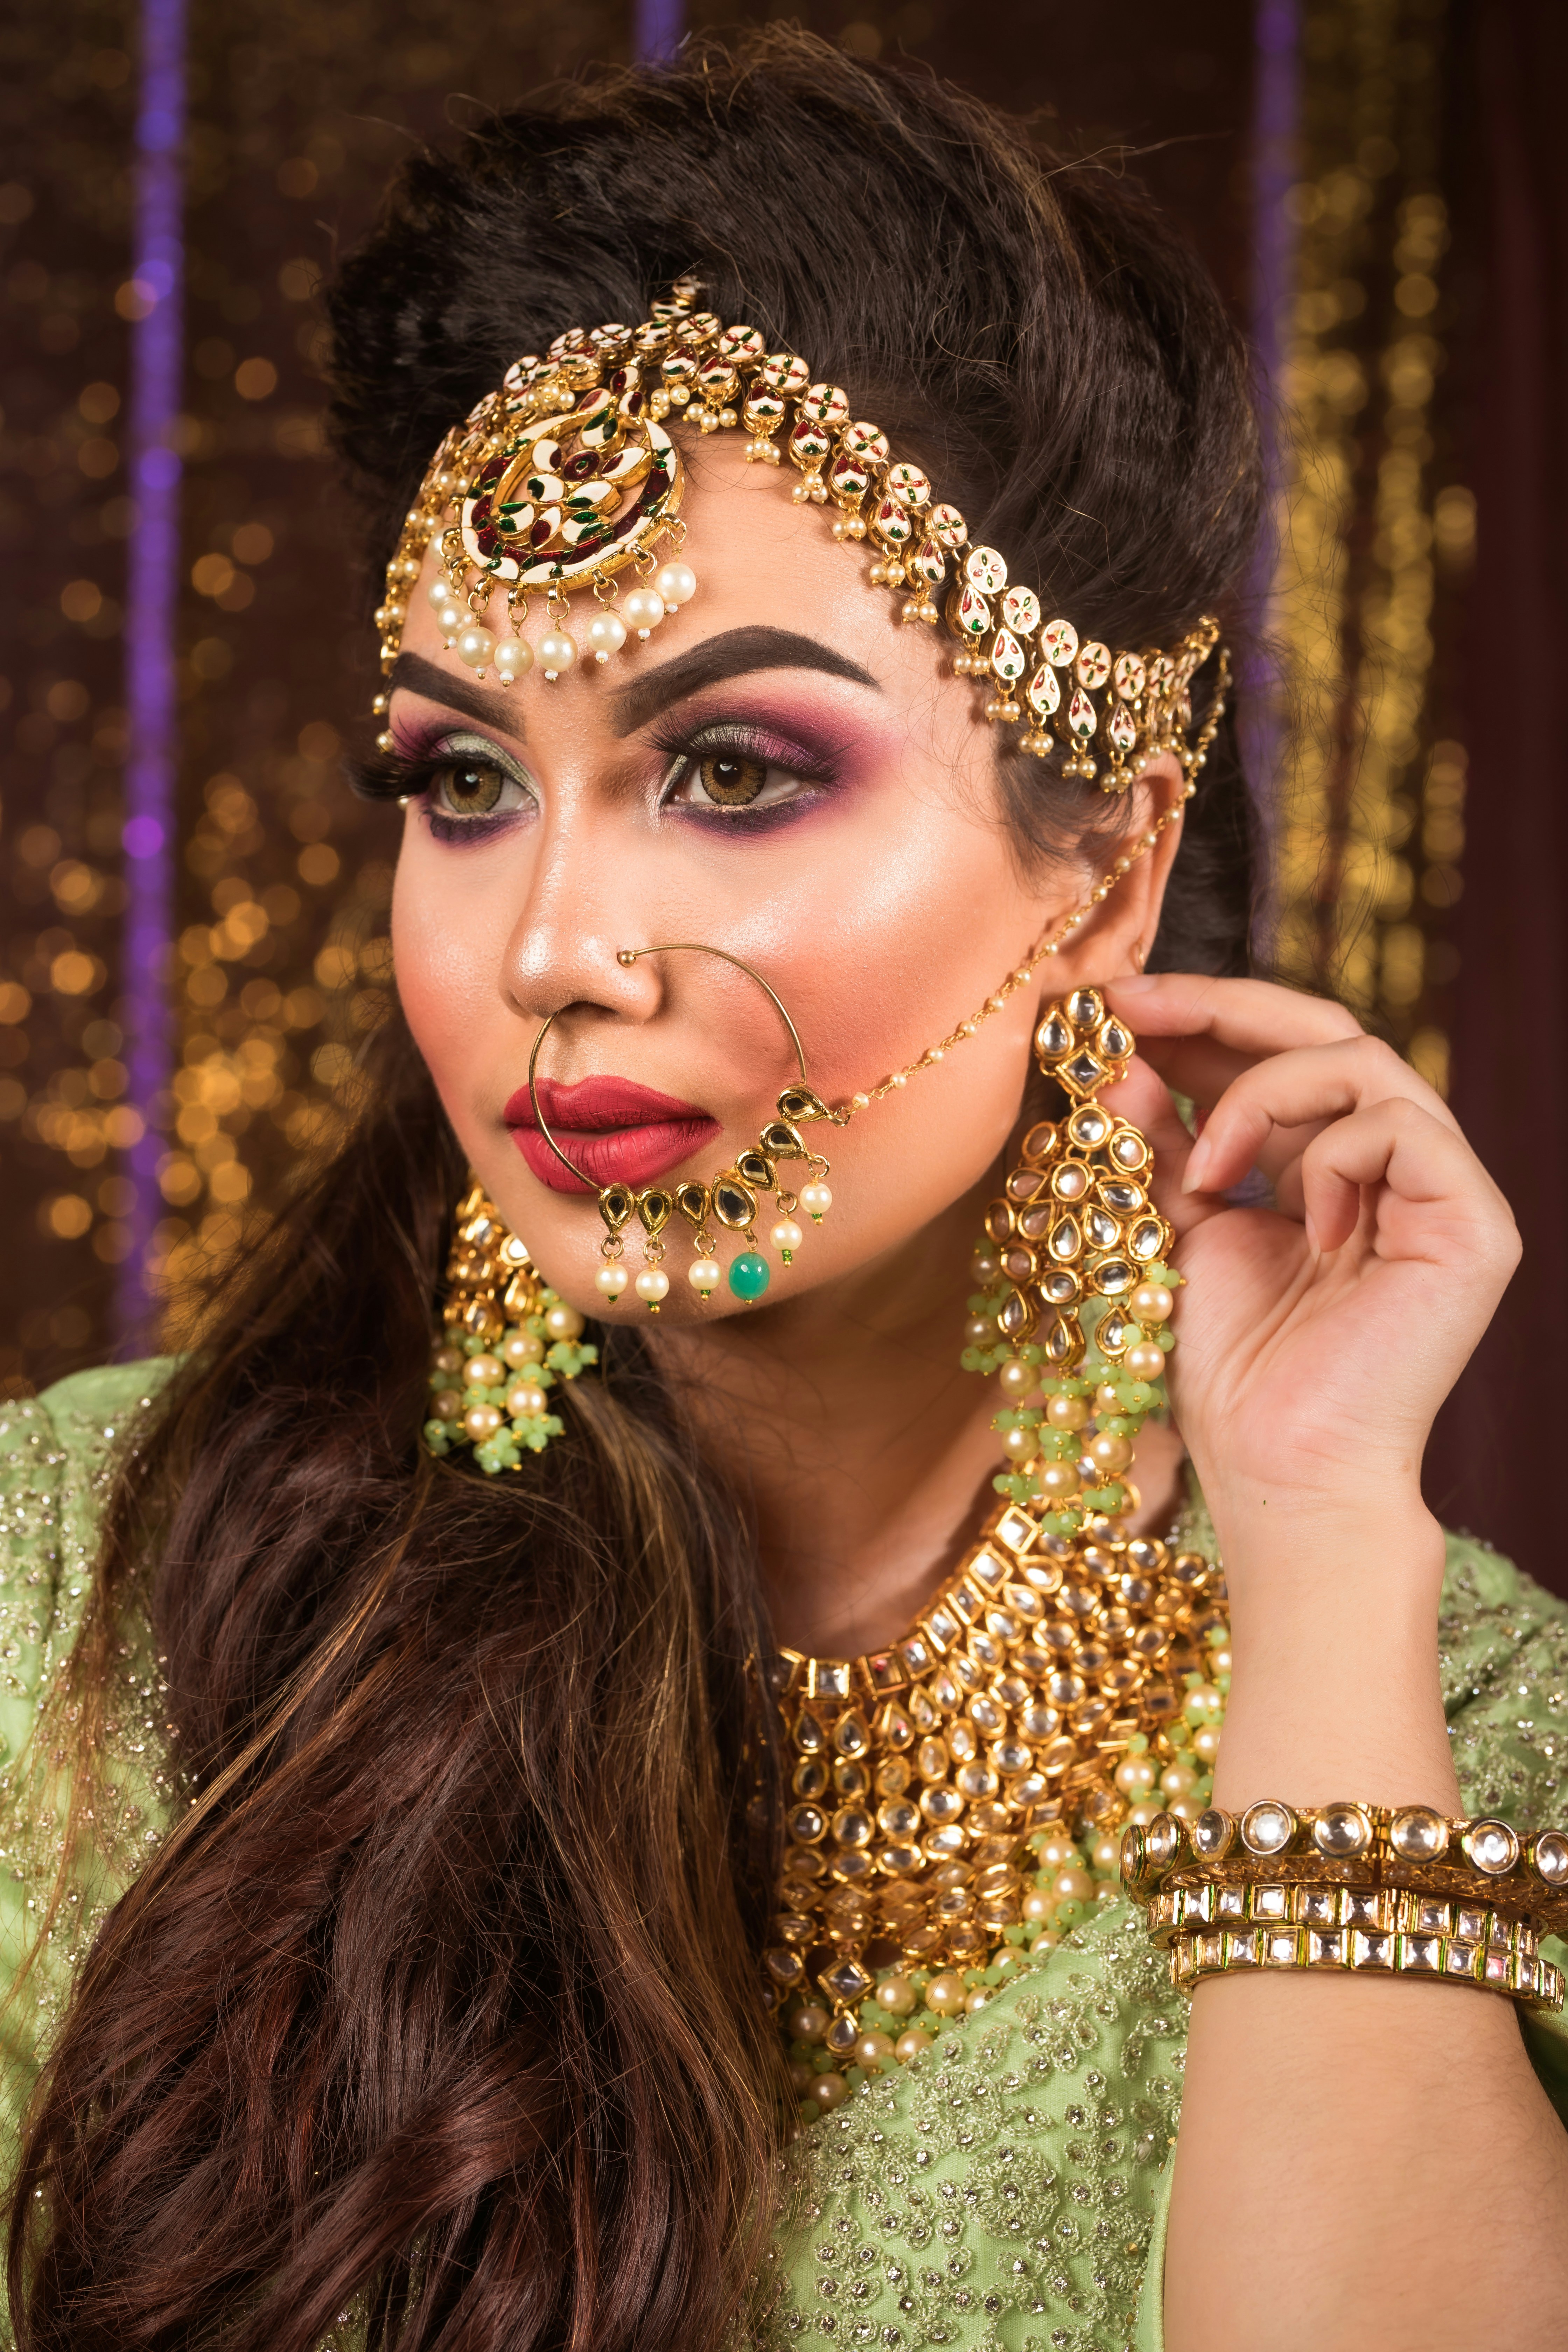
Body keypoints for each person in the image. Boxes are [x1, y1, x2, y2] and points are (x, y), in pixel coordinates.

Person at [4, 28, 1566, 2352]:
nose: (546, 944)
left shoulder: (1461, 1715)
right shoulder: (84, 1587)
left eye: (730, 768)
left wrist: (1324, 1547)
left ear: (1110, 868)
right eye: (456, 781)